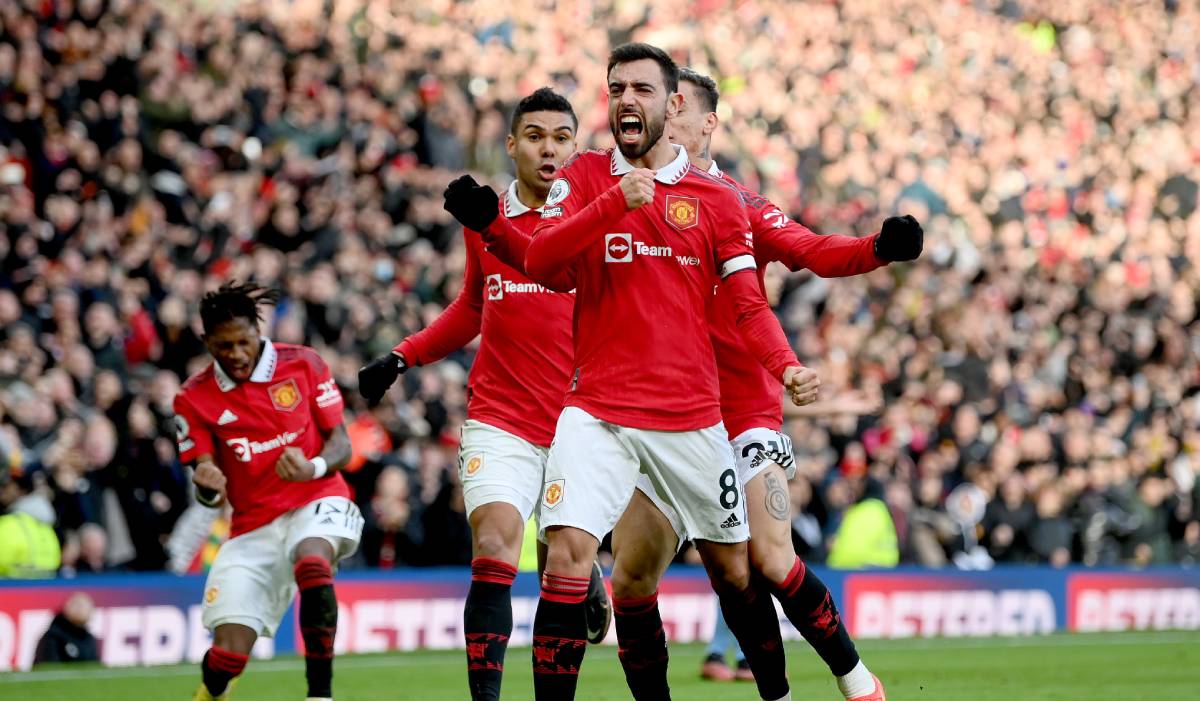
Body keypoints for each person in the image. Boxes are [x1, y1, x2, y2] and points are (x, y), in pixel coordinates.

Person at [509, 43, 818, 701]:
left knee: (736, 572)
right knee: (566, 555)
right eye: (617, 87)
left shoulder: (716, 199)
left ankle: (778, 694)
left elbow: (748, 306)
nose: (627, 99)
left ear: (673, 103)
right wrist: (612, 205)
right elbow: (539, 260)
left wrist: (786, 366)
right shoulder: (586, 176)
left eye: (642, 89)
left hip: (690, 417)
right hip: (593, 407)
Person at [605, 68, 922, 700]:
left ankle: (857, 682)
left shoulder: (737, 204)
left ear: (706, 122)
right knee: (635, 580)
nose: (663, 118)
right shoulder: (624, 195)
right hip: (663, 411)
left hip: (743, 408)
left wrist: (878, 248)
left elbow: (813, 249)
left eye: (678, 108)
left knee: (770, 558)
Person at [357, 88, 611, 701]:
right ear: (512, 144)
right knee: (496, 542)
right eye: (534, 136)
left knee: (564, 558)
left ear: (574, 146)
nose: (547, 148)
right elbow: (474, 305)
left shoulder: (593, 216)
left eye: (559, 137)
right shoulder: (484, 217)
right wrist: (403, 354)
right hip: (501, 415)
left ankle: (582, 572)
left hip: (578, 420)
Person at [173, 282, 363, 701]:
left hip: (317, 498)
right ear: (206, 342)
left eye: (244, 341)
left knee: (313, 562)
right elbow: (207, 482)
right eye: (224, 346)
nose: (237, 354)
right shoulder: (192, 398)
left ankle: (320, 695)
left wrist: (311, 466)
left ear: (259, 332)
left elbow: (343, 446)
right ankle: (212, 691)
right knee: (227, 661)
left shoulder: (304, 364)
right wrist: (206, 486)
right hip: (252, 526)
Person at [33, 592, 99, 665]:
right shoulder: (52, 637)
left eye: (85, 606)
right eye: (78, 606)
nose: (81, 609)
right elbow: (48, 668)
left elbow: (95, 666)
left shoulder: (88, 638)